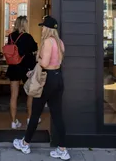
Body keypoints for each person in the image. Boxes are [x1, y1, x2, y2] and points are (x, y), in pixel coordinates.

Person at [14, 15, 70, 160]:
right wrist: (34, 70)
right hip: (58, 78)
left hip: (47, 80)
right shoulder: (60, 43)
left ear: (48, 28)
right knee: (57, 115)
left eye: (43, 26)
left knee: (35, 113)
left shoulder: (48, 43)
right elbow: (56, 62)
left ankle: (25, 143)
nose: (42, 29)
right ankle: (62, 149)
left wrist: (38, 57)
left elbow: (44, 63)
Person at [6, 15, 39, 129]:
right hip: (26, 67)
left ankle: (13, 122)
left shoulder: (10, 36)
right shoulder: (27, 37)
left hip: (14, 67)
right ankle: (30, 118)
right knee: (30, 93)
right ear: (24, 24)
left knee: (13, 95)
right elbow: (35, 48)